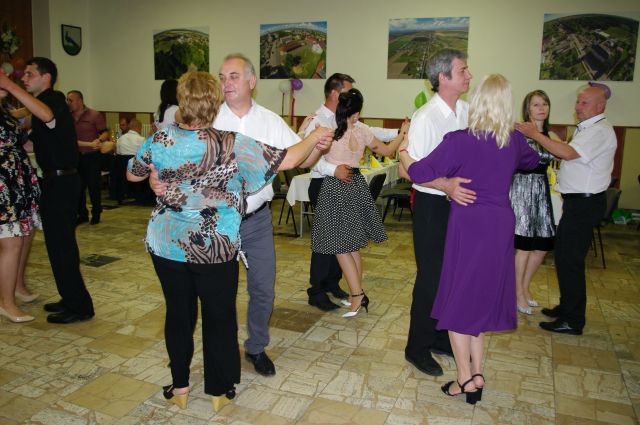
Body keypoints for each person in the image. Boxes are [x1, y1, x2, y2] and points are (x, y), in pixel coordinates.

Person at [127, 70, 332, 412]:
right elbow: (291, 159)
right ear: (214, 103)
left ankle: (180, 385)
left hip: (167, 243)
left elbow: (131, 173)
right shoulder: (230, 144)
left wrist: (152, 176)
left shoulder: (160, 138)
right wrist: (315, 135)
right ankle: (219, 390)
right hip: (214, 246)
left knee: (178, 314)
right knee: (219, 316)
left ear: (181, 101)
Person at [399, 73, 540, 404]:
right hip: (500, 223)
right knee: (480, 298)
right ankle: (477, 373)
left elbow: (418, 172)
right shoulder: (513, 141)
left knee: (459, 299)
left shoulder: (461, 140)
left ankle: (464, 380)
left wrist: (403, 149)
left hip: (470, 225)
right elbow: (533, 162)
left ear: (477, 103)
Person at [516, 82, 617, 335]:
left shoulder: (599, 131)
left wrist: (536, 135)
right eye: (578, 101)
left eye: (584, 102)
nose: (578, 106)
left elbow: (568, 154)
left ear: (600, 106)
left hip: (584, 203)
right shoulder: (587, 128)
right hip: (573, 201)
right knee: (563, 256)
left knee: (570, 261)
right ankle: (565, 307)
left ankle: (572, 320)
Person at [403, 48, 476, 377]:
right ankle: (416, 347)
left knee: (453, 277)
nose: (469, 75)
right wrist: (446, 185)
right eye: (463, 71)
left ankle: (439, 336)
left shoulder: (467, 111)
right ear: (443, 77)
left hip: (460, 205)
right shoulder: (426, 117)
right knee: (431, 278)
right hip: (432, 205)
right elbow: (412, 170)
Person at [304, 73, 400, 312]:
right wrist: (333, 169)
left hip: (344, 184)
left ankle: (337, 284)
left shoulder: (348, 123)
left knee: (345, 242)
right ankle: (318, 290)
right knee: (326, 242)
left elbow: (373, 132)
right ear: (335, 93)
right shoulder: (319, 121)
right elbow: (308, 158)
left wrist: (399, 131)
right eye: (347, 92)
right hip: (325, 182)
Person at [12, 57, 94, 324]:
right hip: (54, 182)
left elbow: (46, 115)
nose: (24, 78)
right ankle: (69, 298)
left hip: (62, 182)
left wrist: (10, 87)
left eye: (29, 74)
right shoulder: (44, 107)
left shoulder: (54, 99)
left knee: (62, 246)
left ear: (46, 78)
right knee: (56, 246)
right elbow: (31, 144)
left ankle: (79, 306)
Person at [509, 90, 559, 315]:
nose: (541, 108)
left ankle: (524, 287)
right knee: (524, 245)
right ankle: (517, 292)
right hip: (521, 188)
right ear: (527, 108)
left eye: (545, 103)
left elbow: (563, 154)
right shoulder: (518, 131)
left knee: (541, 246)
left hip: (541, 189)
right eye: (536, 104)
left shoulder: (551, 134)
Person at [0, 71, 43, 323]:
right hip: (3, 183)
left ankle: (15, 287)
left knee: (24, 234)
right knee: (11, 241)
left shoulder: (6, 111)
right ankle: (6, 303)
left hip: (16, 180)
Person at [66, 90, 110, 225]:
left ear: (80, 101)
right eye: (67, 100)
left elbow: (105, 133)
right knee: (78, 187)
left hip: (91, 156)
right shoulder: (67, 117)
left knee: (93, 186)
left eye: (70, 100)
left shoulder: (94, 115)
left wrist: (99, 140)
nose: (68, 103)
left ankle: (96, 213)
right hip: (75, 156)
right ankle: (82, 214)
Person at [113, 118, 145, 203]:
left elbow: (117, 152)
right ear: (138, 127)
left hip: (122, 166)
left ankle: (122, 195)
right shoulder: (141, 139)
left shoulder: (121, 139)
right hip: (135, 166)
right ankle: (140, 195)